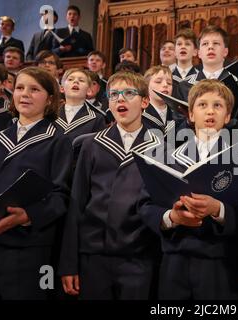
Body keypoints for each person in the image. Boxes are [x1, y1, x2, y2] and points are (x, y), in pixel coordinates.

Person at [139, 79, 238, 299]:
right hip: (174, 259)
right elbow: (145, 205)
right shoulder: (166, 156)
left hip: (220, 263)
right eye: (202, 105)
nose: (210, 111)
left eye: (218, 105)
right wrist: (172, 217)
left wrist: (218, 209)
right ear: (190, 114)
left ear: (228, 116)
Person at [59, 71, 161, 300]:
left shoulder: (160, 147)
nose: (120, 99)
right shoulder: (91, 145)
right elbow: (77, 204)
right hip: (93, 256)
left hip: (139, 257)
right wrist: (69, 263)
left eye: (129, 93)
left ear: (145, 101)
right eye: (113, 94)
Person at [0, 66, 73, 299]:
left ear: (50, 98)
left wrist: (27, 215)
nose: (25, 94)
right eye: (20, 88)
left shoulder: (58, 141)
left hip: (28, 249)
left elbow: (61, 196)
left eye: (34, 89)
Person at [176, 25, 238, 131]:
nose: (210, 47)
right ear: (199, 53)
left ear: (225, 52)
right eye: (205, 44)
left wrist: (226, 122)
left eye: (216, 43)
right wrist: (189, 122)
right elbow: (176, 127)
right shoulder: (184, 86)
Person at [55, 68, 106, 144]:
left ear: (89, 91)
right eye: (70, 79)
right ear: (62, 88)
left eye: (81, 80)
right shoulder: (51, 115)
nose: (76, 81)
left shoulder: (97, 119)